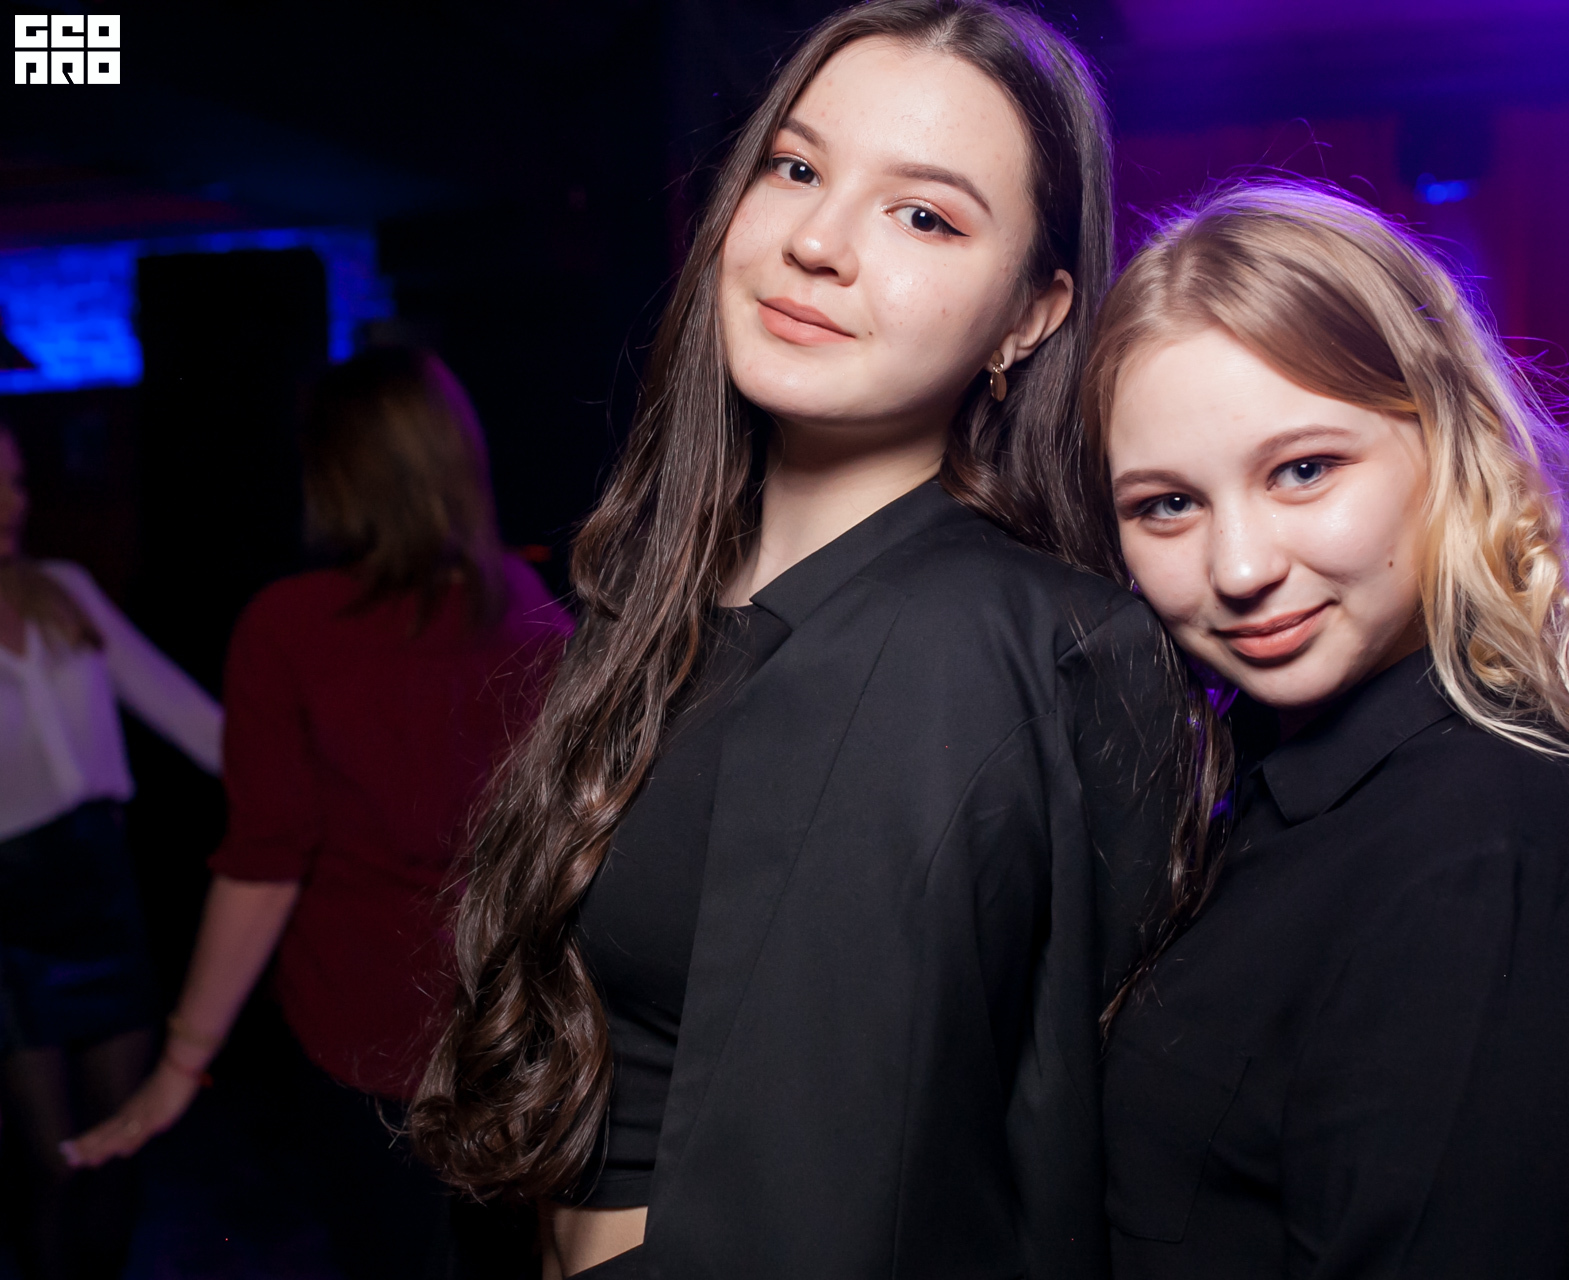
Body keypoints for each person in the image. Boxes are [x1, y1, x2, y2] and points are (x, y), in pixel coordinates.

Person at [406, 4, 1197, 1277]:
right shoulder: (670, 593)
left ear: (1031, 315)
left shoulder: (980, 640)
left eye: (924, 215)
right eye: (795, 166)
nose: (818, 242)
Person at [1083, 182, 1569, 1279]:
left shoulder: (1490, 851)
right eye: (1166, 504)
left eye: (1304, 470)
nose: (1239, 567)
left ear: (1449, 444)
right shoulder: (1270, 781)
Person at [61, 347, 574, 1280]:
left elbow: (265, 863)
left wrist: (180, 1065)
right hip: (505, 1034)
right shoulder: (525, 605)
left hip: (363, 1039)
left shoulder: (291, 626)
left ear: (332, 474)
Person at [0, 422, 223, 1280]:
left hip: (101, 893)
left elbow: (189, 716)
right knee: (49, 1167)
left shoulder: (64, 590)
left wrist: (311, 779)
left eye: (18, 481)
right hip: (11, 922)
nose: (11, 503)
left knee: (120, 1154)